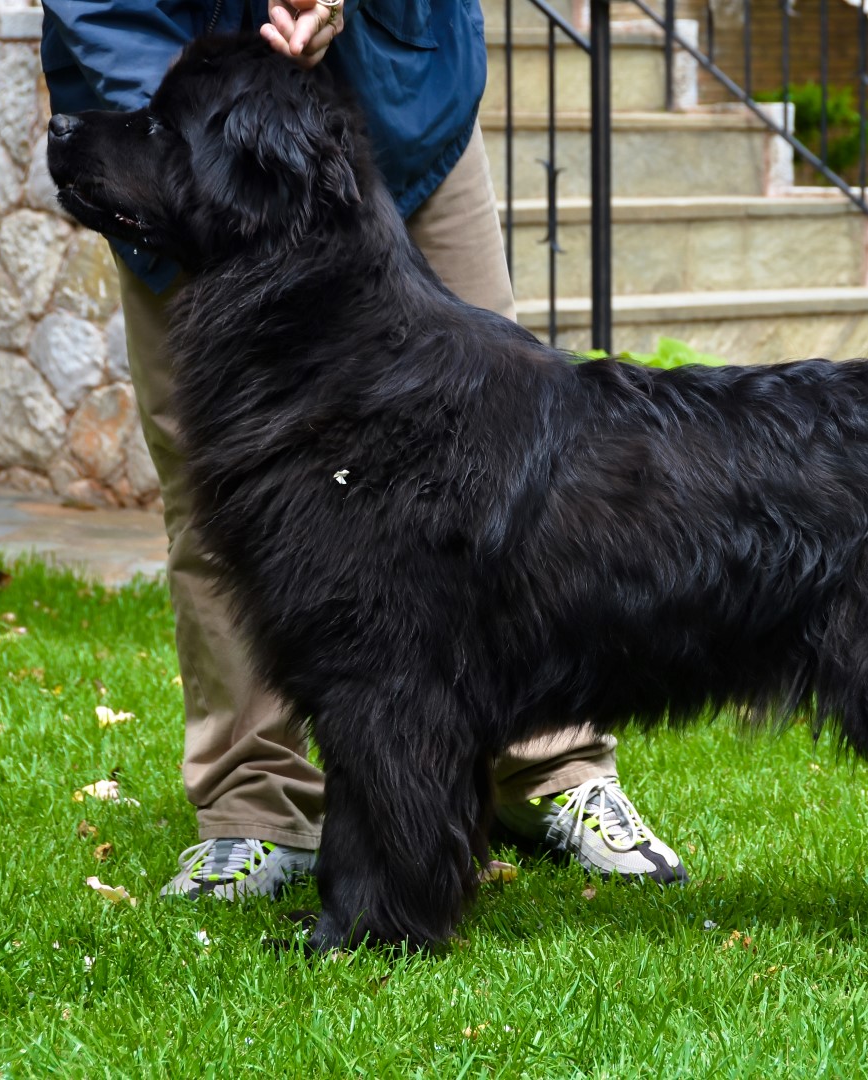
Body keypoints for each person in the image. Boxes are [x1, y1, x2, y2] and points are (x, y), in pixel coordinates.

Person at [39, 0, 687, 898]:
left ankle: (551, 771)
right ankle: (254, 806)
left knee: (509, 447)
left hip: (400, 77)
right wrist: (175, 123)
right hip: (186, 98)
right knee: (231, 486)